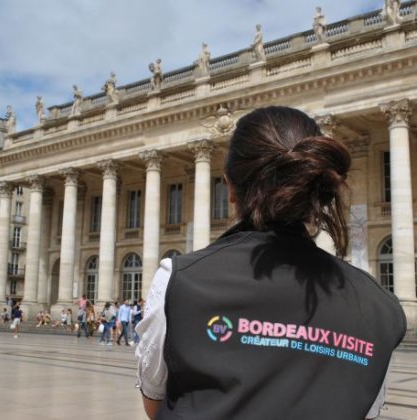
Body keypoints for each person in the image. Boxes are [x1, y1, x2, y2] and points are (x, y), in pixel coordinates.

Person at [135, 106, 407, 420]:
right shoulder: (381, 308)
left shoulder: (180, 280)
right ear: (318, 187)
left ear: (231, 189)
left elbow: (154, 399)